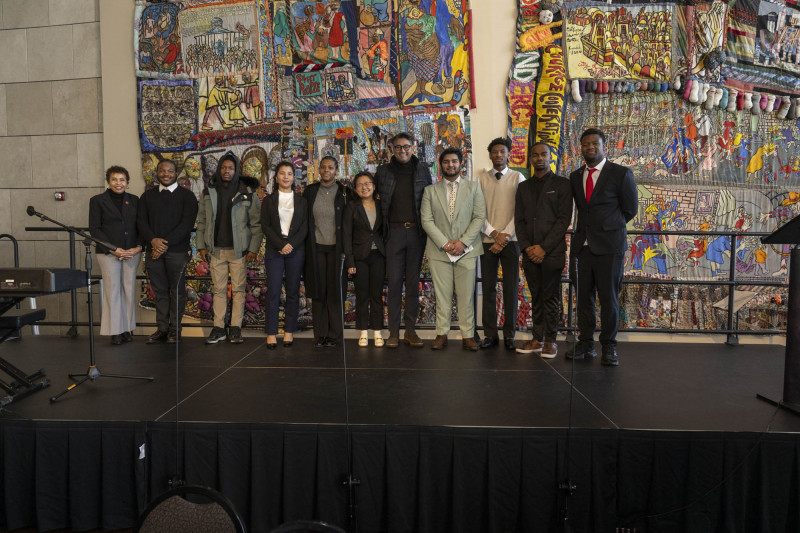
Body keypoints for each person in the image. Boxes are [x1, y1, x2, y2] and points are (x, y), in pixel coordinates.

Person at [569, 128, 638, 366]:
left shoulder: (620, 174)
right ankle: (586, 344)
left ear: (603, 146)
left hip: (610, 247)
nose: (590, 147)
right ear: (581, 147)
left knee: (609, 299)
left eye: (595, 144)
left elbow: (630, 210)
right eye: (586, 144)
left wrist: (608, 229)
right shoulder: (576, 175)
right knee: (583, 300)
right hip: (582, 248)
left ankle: (609, 347)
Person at [420, 148, 486, 351]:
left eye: (454, 161)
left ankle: (468, 335)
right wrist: (446, 244)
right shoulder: (430, 191)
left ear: (461, 163)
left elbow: (479, 217)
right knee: (442, 296)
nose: (451, 165)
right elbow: (427, 220)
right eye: (447, 162)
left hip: (466, 250)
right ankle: (442, 333)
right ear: (441, 165)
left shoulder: (474, 188)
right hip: (439, 252)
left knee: (466, 295)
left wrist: (462, 242)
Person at [196, 152, 262, 345]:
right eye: (223, 167)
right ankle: (218, 328)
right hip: (216, 250)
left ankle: (235, 328)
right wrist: (201, 246)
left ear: (236, 170)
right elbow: (202, 221)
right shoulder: (209, 191)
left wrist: (253, 249)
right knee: (218, 290)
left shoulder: (247, 192)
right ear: (219, 169)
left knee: (239, 290)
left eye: (231, 168)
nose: (227, 171)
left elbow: (256, 224)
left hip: (239, 251)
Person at [374, 132, 433, 348]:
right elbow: (375, 202)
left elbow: (430, 201)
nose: (402, 150)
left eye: (406, 146)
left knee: (412, 285)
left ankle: (410, 330)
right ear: (391, 148)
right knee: (395, 283)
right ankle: (393, 333)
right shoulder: (383, 172)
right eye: (398, 147)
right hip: (393, 234)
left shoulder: (423, 170)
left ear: (413, 147)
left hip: (417, 233)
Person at [515, 143, 573, 358]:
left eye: (543, 155)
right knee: (536, 297)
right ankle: (537, 338)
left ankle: (550, 340)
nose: (539, 158)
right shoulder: (523, 187)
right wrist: (526, 248)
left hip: (552, 252)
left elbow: (563, 220)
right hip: (529, 252)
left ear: (550, 157)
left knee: (550, 297)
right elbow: (519, 221)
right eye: (535, 155)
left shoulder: (562, 185)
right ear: (530, 158)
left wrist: (544, 248)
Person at [138, 159, 199, 344]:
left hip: (177, 252)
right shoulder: (147, 196)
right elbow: (141, 222)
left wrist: (162, 245)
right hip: (153, 251)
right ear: (157, 173)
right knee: (160, 292)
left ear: (176, 173)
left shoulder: (187, 197)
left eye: (170, 171)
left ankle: (175, 330)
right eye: (162, 171)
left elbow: (186, 225)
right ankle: (162, 329)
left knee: (177, 292)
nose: (166, 174)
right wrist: (153, 241)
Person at [477, 137, 525, 350]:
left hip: (511, 242)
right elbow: (477, 211)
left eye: (502, 151)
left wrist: (504, 235)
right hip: (487, 242)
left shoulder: (518, 177)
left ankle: (509, 335)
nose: (498, 155)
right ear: (490, 155)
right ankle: (490, 335)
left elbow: (521, 211)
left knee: (511, 289)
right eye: (494, 152)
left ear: (508, 154)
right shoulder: (481, 180)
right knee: (488, 289)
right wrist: (494, 233)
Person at [89, 166, 143, 345]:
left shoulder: (134, 200)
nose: (118, 183)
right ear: (108, 181)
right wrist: (114, 249)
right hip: (108, 253)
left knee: (129, 289)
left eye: (122, 180)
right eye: (114, 179)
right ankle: (115, 331)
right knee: (112, 291)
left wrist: (138, 248)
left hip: (131, 252)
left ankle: (127, 328)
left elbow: (141, 226)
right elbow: (95, 229)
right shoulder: (97, 201)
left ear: (127, 182)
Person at [304, 156, 353, 348]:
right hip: (316, 249)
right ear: (319, 170)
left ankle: (334, 335)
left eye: (330, 168)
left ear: (336, 170)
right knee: (318, 292)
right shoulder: (310, 192)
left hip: (337, 250)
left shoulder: (345, 192)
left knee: (335, 292)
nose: (326, 170)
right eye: (323, 167)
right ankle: (321, 335)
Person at [261, 162, 308, 349]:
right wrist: (281, 244)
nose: (286, 176)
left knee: (293, 292)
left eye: (289, 173)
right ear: (276, 177)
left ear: (293, 177)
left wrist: (290, 245)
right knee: (272, 291)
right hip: (275, 249)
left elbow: (305, 227)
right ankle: (271, 333)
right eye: (282, 173)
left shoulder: (302, 201)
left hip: (295, 250)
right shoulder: (269, 200)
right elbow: (265, 226)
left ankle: (289, 331)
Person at [342, 171, 386, 347]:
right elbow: (346, 235)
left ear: (374, 186)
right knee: (362, 295)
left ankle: (377, 332)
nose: (364, 187)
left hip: (379, 256)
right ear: (355, 188)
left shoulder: (382, 205)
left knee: (376, 295)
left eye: (367, 183)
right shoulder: (351, 207)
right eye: (360, 184)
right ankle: (362, 332)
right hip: (359, 257)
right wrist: (350, 262)